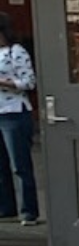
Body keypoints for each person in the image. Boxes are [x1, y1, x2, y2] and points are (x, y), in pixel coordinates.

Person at [0, 13, 39, 226]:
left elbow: (29, 82)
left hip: (14, 111)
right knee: (1, 165)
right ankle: (6, 207)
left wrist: (5, 83)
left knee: (20, 164)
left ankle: (29, 210)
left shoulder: (16, 52)